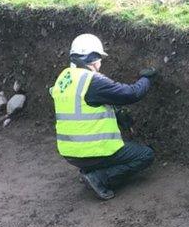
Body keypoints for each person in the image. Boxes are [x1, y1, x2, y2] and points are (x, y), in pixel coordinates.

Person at [50, 33, 158, 200]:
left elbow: (84, 106)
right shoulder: (91, 80)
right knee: (146, 155)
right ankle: (99, 178)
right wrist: (146, 78)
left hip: (70, 152)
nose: (100, 63)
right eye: (99, 58)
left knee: (120, 151)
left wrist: (116, 114)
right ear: (93, 59)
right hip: (92, 152)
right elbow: (131, 94)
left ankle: (91, 170)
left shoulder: (64, 78)